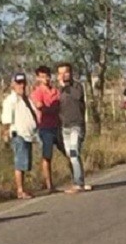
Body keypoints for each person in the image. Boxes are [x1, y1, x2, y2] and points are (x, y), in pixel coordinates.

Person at [0, 73, 39, 199]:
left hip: (28, 135)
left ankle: (23, 189)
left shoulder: (26, 99)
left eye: (23, 83)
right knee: (20, 163)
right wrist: (5, 135)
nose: (21, 85)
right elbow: (6, 121)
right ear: (13, 85)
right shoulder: (10, 101)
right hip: (18, 135)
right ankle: (20, 190)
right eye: (18, 83)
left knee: (24, 163)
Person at [56, 62, 90, 193]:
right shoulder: (57, 90)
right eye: (60, 73)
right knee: (71, 155)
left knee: (74, 153)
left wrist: (65, 86)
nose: (63, 75)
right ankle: (80, 180)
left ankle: (78, 183)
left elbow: (77, 97)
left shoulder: (77, 86)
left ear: (71, 73)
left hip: (77, 125)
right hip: (64, 127)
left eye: (66, 72)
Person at [30, 65, 61, 193]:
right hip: (45, 128)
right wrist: (54, 109)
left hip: (58, 126)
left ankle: (77, 180)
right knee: (47, 157)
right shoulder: (36, 92)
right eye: (42, 77)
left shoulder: (56, 91)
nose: (46, 79)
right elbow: (40, 107)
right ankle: (49, 185)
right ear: (38, 78)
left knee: (70, 152)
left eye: (47, 76)